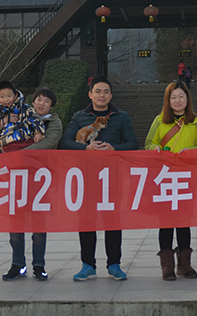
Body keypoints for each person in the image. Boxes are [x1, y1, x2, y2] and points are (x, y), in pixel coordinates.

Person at [59, 76, 138, 281]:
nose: (101, 95)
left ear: (111, 95)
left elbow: (133, 144)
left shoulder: (121, 117)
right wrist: (85, 148)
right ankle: (88, 265)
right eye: (98, 91)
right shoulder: (79, 117)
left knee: (113, 221)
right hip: (86, 177)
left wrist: (114, 149)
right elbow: (64, 142)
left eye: (105, 92)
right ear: (90, 94)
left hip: (113, 177)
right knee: (86, 221)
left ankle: (114, 264)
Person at [0, 81, 46, 280]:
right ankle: (18, 264)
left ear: (16, 95)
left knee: (38, 219)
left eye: (9, 95)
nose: (6, 99)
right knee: (15, 218)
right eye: (2, 96)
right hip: (9, 161)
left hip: (30, 162)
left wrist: (39, 132)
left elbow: (35, 120)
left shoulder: (26, 108)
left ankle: (39, 265)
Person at [145, 81, 197, 280]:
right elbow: (148, 143)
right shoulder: (159, 121)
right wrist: (154, 148)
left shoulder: (196, 122)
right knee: (165, 222)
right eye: (173, 97)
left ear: (187, 99)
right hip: (164, 178)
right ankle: (167, 265)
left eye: (181, 96)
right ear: (168, 100)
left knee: (183, 221)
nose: (177, 101)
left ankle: (184, 264)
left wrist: (192, 151)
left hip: (186, 178)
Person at [0, 87, 63, 282]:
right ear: (32, 101)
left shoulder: (54, 122)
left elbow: (49, 142)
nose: (41, 103)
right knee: (15, 224)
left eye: (46, 101)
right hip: (16, 176)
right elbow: (1, 139)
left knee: (39, 226)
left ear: (51, 106)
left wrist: (21, 153)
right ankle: (17, 264)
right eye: (39, 100)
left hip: (40, 179)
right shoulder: (18, 117)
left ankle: (39, 265)